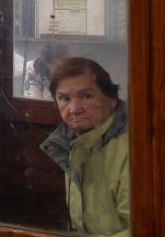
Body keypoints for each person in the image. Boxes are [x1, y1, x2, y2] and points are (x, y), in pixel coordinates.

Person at [40, 58, 129, 236]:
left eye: (86, 96)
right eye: (64, 98)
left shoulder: (134, 150)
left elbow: (147, 228)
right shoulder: (73, 142)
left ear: (111, 99)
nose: (74, 109)